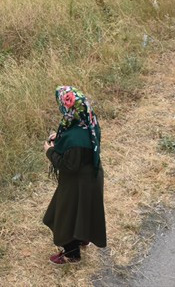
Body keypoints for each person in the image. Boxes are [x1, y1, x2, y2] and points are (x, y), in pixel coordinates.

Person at [42, 86, 106, 265]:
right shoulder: (87, 120)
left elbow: (68, 165)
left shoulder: (77, 138)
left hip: (77, 182)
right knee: (83, 211)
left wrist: (50, 151)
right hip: (92, 177)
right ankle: (83, 237)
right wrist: (60, 139)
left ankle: (72, 254)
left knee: (65, 215)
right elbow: (73, 139)